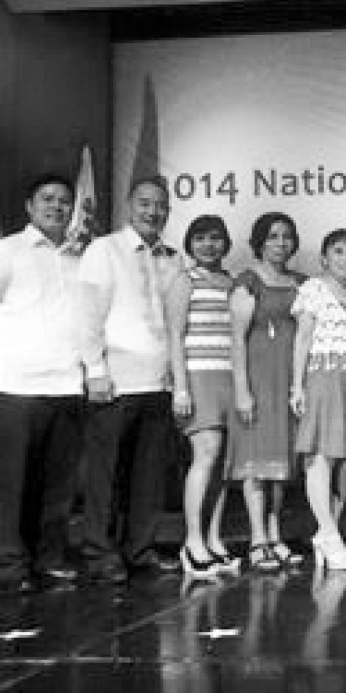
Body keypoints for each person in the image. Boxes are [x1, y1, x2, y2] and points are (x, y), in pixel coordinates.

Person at [78, 176, 184, 582]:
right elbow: (88, 316)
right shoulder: (103, 250)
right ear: (128, 205)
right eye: (145, 204)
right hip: (116, 381)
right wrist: (96, 370)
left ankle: (139, 549)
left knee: (148, 474)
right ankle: (100, 553)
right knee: (105, 474)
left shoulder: (172, 258)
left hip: (157, 382)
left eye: (160, 206)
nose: (153, 212)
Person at [0, 174, 86, 594]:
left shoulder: (80, 257)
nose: (57, 207)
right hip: (16, 385)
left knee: (57, 485)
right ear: (29, 206)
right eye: (48, 199)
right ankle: (10, 563)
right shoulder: (7, 251)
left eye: (64, 201)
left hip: (68, 384)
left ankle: (49, 557)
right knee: (13, 482)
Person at [291, 229, 346, 571]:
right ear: (324, 257)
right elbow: (302, 341)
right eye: (338, 251)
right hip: (324, 376)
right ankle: (326, 532)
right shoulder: (314, 290)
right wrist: (297, 386)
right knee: (322, 455)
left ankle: (331, 532)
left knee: (345, 460)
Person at [230, 212, 306, 573]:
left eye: (286, 236)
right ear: (259, 242)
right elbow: (236, 341)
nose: (280, 243)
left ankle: (276, 534)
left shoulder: (302, 284)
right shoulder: (247, 282)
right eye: (273, 236)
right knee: (256, 466)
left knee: (281, 466)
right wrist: (242, 391)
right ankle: (258, 539)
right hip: (258, 380)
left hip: (289, 381)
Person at [166, 215, 239, 577]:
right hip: (198, 378)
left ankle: (214, 539)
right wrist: (180, 387)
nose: (208, 245)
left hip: (230, 378)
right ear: (190, 243)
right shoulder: (185, 280)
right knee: (205, 455)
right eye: (200, 238)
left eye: (215, 238)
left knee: (224, 464)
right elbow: (175, 337)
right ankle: (192, 542)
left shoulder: (232, 282)